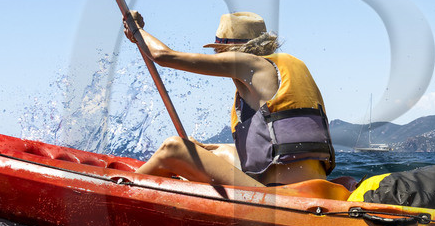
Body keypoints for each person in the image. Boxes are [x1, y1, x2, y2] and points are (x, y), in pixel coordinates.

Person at [123, 11, 336, 187]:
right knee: (219, 151)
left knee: (174, 148)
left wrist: (137, 31)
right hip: (315, 186)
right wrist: (208, 149)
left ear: (227, 49)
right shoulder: (282, 68)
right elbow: (272, 146)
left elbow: (163, 56)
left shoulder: (249, 63)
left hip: (280, 196)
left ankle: (122, 191)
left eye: (217, 51)